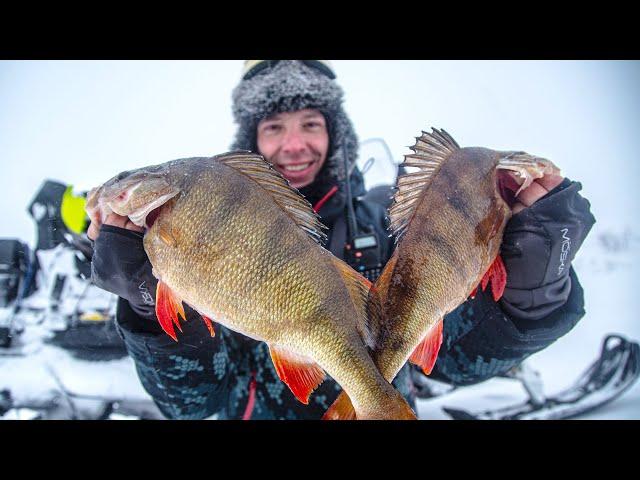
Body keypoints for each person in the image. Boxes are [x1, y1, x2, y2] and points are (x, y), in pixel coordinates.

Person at [88, 60, 596, 420]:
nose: (294, 142)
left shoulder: (387, 223)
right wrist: (144, 304)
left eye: (311, 123)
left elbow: (455, 359)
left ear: (335, 133)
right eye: (274, 126)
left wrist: (535, 287)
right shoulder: (195, 228)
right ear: (251, 142)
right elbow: (194, 405)